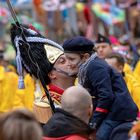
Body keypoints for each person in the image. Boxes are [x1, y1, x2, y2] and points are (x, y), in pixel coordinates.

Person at [62, 36, 138, 140]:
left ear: (85, 57)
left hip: (118, 112)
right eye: (66, 59)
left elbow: (106, 96)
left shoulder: (95, 67)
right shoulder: (88, 66)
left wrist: (94, 122)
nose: (68, 63)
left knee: (99, 137)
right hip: (111, 110)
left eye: (71, 59)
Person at [10, 24, 75, 123]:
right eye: (63, 61)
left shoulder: (86, 87)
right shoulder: (44, 106)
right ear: (52, 74)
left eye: (70, 59)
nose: (71, 63)